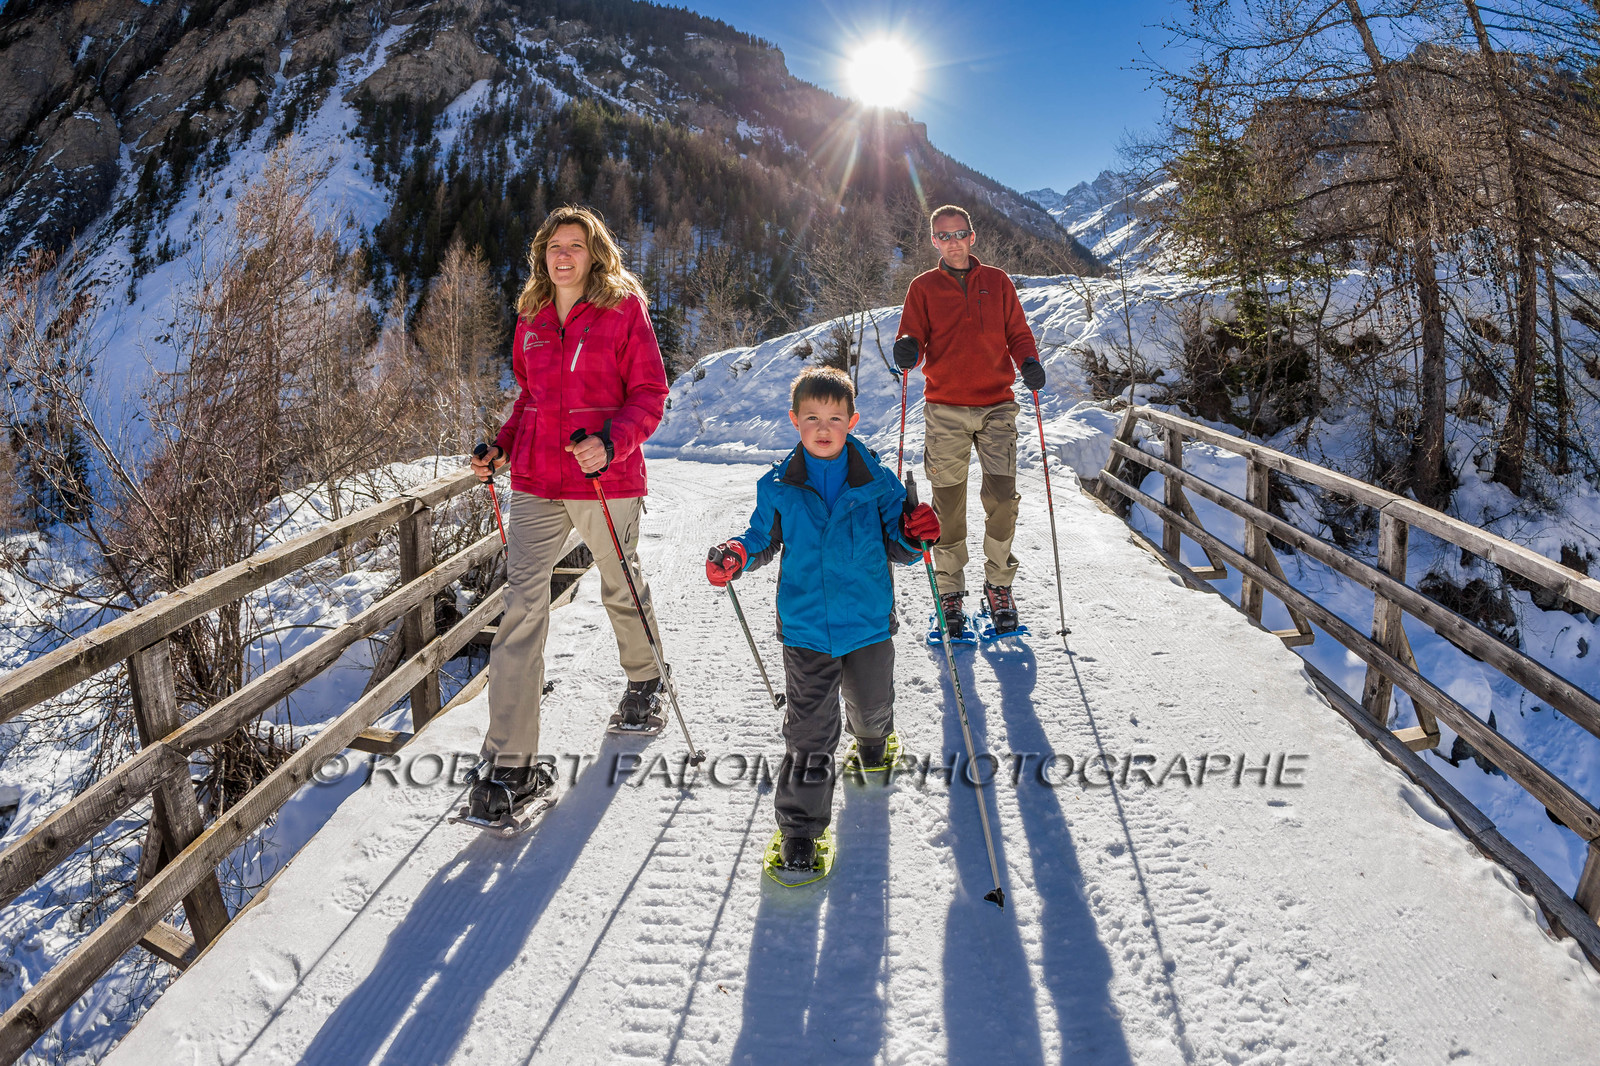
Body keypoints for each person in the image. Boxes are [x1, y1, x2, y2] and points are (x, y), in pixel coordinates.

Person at [467, 205, 669, 819]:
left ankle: (645, 680)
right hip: (535, 480)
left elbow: (651, 395)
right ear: (542, 253)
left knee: (618, 583)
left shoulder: (622, 310)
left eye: (575, 246)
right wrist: (501, 445)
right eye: (554, 246)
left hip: (603, 478)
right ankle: (510, 766)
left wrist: (609, 442)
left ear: (595, 253)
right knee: (521, 611)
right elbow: (529, 396)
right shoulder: (529, 314)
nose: (563, 255)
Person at [705, 367, 941, 870]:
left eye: (835, 417)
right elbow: (762, 539)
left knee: (871, 703)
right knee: (809, 732)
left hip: (869, 623)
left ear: (852, 420)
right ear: (794, 421)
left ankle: (875, 742)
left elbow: (900, 546)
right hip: (807, 628)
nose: (824, 427)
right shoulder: (778, 486)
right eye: (812, 417)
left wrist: (918, 533)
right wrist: (735, 554)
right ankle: (800, 831)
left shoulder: (879, 484)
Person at [894, 204, 1046, 638]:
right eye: (944, 235)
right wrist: (908, 348)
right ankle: (950, 592)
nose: (953, 241)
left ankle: (999, 584)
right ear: (933, 242)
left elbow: (1017, 332)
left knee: (1002, 500)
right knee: (948, 507)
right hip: (945, 410)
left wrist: (1029, 362)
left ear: (973, 236)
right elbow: (914, 338)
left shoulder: (996, 282)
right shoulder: (922, 287)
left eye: (960, 233)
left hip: (997, 405)